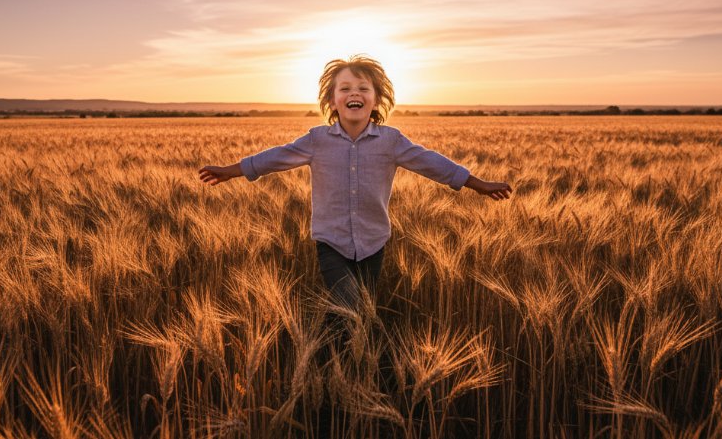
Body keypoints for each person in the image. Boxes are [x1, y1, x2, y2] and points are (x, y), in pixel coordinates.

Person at [198, 55, 512, 318]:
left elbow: (432, 163)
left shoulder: (391, 141)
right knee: (348, 307)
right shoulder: (316, 141)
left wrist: (477, 184)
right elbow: (275, 158)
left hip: (374, 242)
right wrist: (231, 171)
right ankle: (335, 366)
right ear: (332, 102)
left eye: (363, 88)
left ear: (376, 100)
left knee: (362, 311)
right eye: (345, 88)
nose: (354, 93)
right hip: (331, 242)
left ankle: (350, 370)